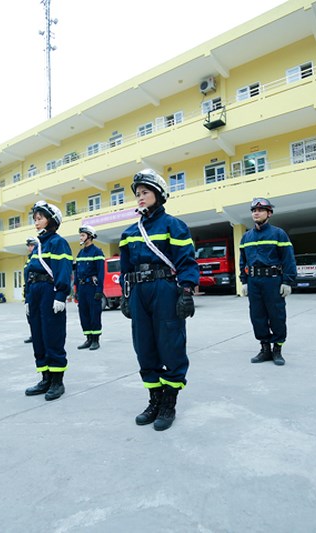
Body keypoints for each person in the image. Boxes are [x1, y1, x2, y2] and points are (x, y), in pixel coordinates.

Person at [119, 169, 199, 431]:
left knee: (170, 344)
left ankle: (169, 402)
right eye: (138, 194)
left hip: (165, 288)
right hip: (140, 291)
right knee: (144, 347)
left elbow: (186, 261)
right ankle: (154, 400)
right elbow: (126, 269)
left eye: (146, 192)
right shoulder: (130, 232)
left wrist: (186, 292)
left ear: (159, 194)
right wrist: (125, 296)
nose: (140, 197)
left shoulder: (174, 225)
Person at [23, 201, 73, 401]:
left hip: (49, 291)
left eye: (40, 218)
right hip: (35, 293)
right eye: (35, 219)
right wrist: (27, 298)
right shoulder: (38, 246)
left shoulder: (58, 242)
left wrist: (61, 294)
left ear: (51, 220)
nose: (36, 222)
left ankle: (57, 381)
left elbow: (63, 269)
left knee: (53, 335)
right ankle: (45, 378)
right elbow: (29, 274)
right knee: (38, 336)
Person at [239, 198, 297, 366]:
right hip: (254, 281)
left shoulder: (278, 234)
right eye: (253, 210)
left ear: (269, 213)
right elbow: (243, 261)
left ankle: (277, 349)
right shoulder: (246, 237)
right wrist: (244, 281)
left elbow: (288, 259)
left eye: (260, 209)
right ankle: (265, 349)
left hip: (273, 281)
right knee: (257, 316)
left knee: (277, 315)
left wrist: (287, 281)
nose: (255, 213)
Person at [75, 224, 105, 351]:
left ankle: (95, 340)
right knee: (84, 314)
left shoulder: (97, 252)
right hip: (82, 288)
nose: (80, 237)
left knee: (94, 313)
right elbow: (76, 273)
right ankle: (88, 338)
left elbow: (101, 273)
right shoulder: (80, 253)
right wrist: (76, 290)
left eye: (83, 235)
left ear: (90, 237)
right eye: (80, 235)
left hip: (92, 287)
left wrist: (99, 290)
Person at [23, 237, 36, 344]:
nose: (29, 248)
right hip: (29, 290)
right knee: (29, 314)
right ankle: (34, 334)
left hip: (35, 288)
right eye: (29, 246)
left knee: (37, 313)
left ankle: (38, 334)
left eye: (32, 245)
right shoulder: (28, 258)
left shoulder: (37, 257)